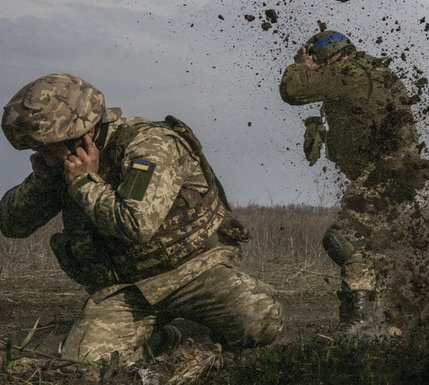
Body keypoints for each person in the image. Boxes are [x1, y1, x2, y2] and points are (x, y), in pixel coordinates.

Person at [0, 74, 282, 364]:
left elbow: (136, 223)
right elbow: (11, 224)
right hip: (127, 289)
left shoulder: (149, 145)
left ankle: (194, 331)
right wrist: (46, 180)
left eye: (48, 148)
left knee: (259, 320)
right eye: (38, 151)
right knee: (86, 362)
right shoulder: (64, 164)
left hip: (193, 271)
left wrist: (85, 183)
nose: (44, 156)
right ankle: (165, 337)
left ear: (81, 134)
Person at [280, 30, 429, 337]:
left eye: (317, 59)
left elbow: (293, 90)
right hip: (398, 176)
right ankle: (394, 322)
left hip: (385, 175)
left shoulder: (348, 72)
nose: (317, 66)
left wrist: (300, 65)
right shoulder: (377, 72)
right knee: (378, 248)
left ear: (328, 56)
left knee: (343, 239)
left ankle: (361, 320)